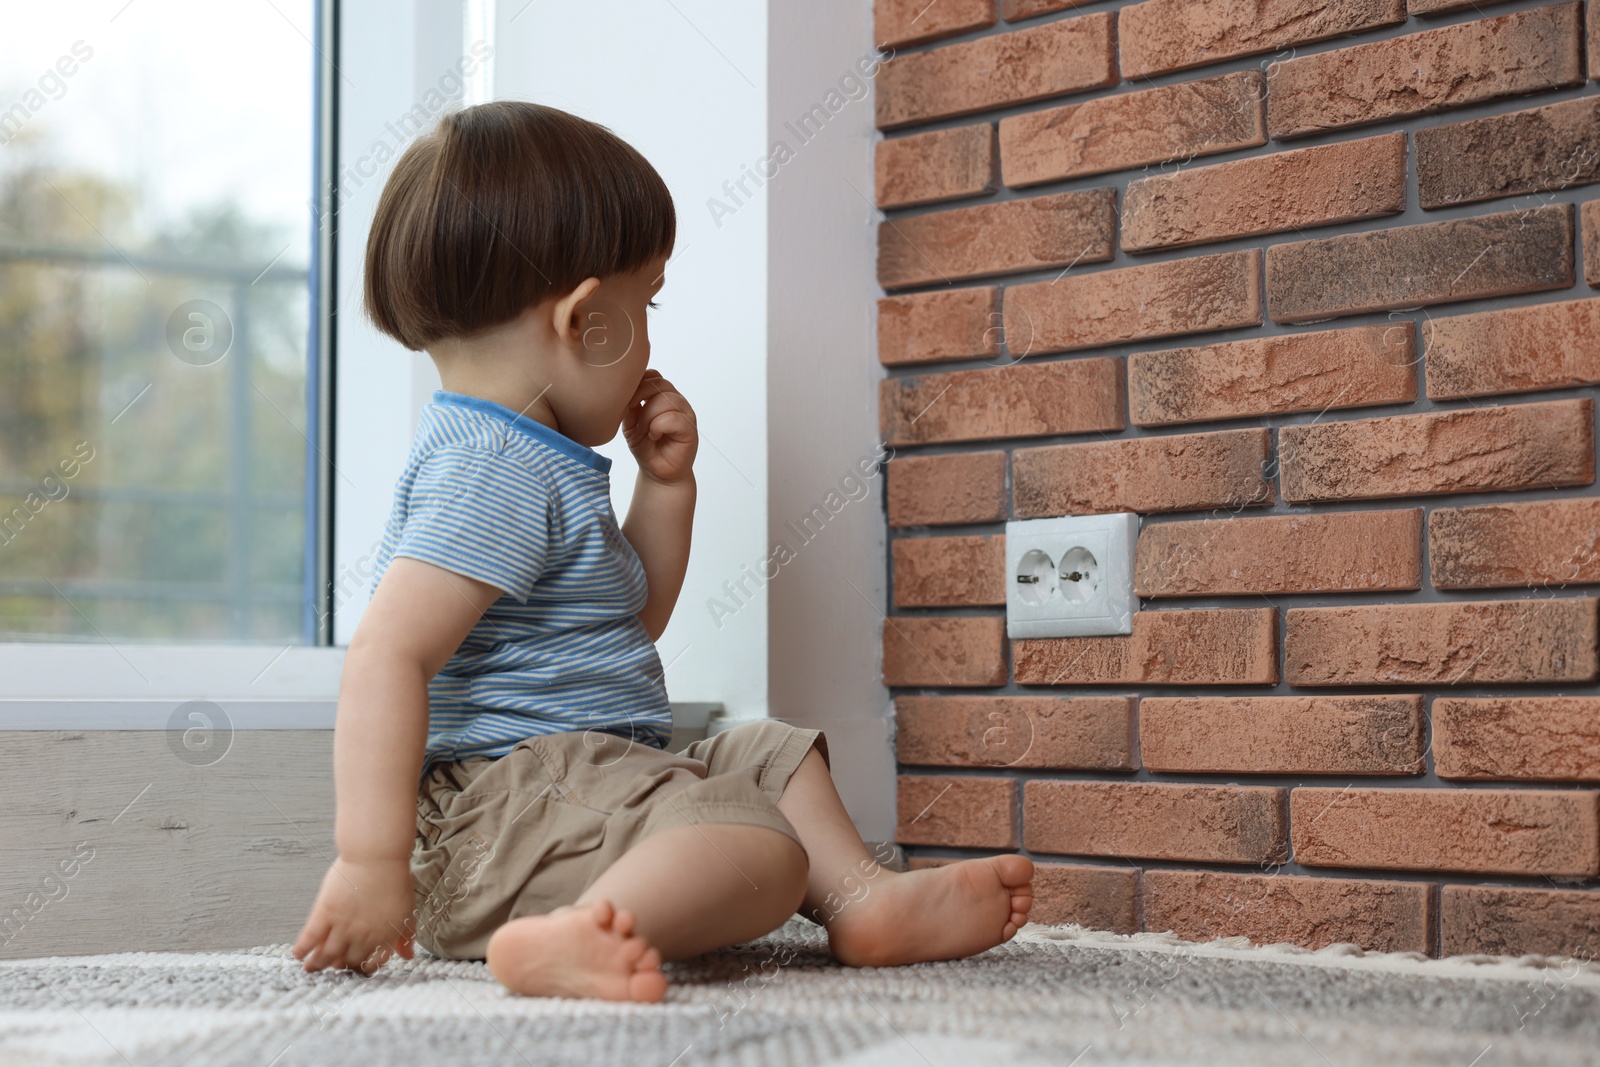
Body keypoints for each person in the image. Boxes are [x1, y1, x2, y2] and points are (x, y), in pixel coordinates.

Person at [290, 100, 1033, 1002]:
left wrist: (664, 489)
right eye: (646, 306)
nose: (649, 339)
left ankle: (861, 900)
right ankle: (579, 933)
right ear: (586, 324)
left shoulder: (532, 455)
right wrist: (371, 860)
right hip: (503, 810)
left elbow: (621, 623)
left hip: (580, 783)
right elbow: (388, 652)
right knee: (756, 842)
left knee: (768, 754)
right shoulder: (495, 467)